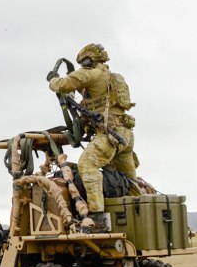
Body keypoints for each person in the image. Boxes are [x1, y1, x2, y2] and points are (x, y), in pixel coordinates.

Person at [47, 42, 138, 231]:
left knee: (87, 165)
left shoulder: (93, 74)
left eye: (83, 62)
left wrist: (53, 80)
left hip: (109, 137)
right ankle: (138, 215)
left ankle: (98, 218)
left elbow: (63, 84)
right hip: (124, 135)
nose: (81, 65)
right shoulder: (110, 78)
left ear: (88, 60)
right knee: (127, 181)